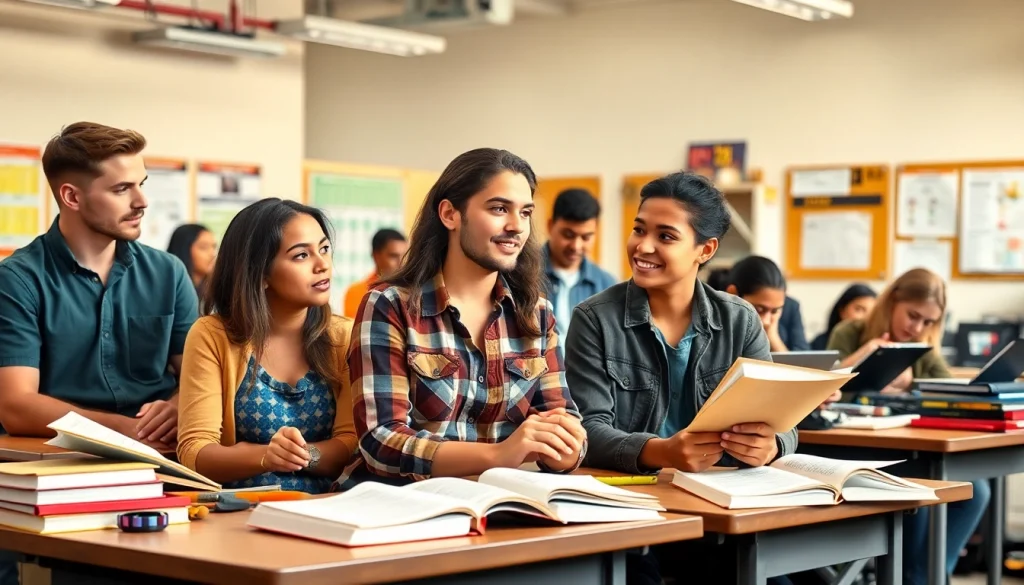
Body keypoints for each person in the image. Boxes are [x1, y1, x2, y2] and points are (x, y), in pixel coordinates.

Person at [564, 172, 797, 585]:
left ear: (705, 250)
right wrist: (662, 452)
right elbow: (587, 433)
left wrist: (771, 445)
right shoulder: (595, 319)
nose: (643, 246)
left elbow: (784, 424)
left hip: (721, 506)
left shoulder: (740, 320)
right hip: (632, 509)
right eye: (639, 229)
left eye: (665, 236)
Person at [0, 122, 198, 585]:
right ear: (71, 196)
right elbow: (16, 405)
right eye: (122, 189)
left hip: (161, 467)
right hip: (58, 474)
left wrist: (176, 406)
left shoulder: (168, 273)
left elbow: (199, 377)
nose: (142, 201)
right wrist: (128, 431)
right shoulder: (18, 279)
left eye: (141, 184)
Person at [343, 148, 586, 487]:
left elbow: (565, 423)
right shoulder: (390, 305)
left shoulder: (537, 313)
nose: (516, 226)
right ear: (450, 214)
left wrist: (565, 448)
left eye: (525, 212)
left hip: (500, 500)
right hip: (404, 502)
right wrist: (499, 455)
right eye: (499, 208)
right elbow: (381, 441)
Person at [176, 199, 357, 493]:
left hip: (328, 506)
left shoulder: (345, 335)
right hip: (241, 509)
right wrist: (266, 456)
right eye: (301, 255)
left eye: (324, 249)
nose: (322, 264)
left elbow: (353, 443)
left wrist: (303, 455)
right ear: (260, 274)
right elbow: (195, 450)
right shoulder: (212, 335)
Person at [826, 268, 990, 585]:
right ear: (892, 302)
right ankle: (918, 577)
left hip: (913, 448)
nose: (917, 327)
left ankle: (926, 577)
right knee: (919, 493)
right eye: (913, 315)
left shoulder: (920, 347)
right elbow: (824, 387)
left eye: (928, 322)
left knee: (977, 490)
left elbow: (950, 390)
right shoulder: (850, 332)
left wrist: (910, 384)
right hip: (859, 450)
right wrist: (865, 357)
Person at [541, 188, 616, 343]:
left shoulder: (606, 285)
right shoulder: (521, 274)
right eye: (568, 235)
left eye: (586, 237)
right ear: (550, 226)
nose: (576, 246)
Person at [725, 255, 807, 352]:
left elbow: (802, 358)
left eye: (774, 311)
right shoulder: (714, 314)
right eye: (759, 310)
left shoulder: (791, 307)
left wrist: (772, 336)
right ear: (733, 293)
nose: (766, 321)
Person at [342, 228, 408, 318]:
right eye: (393, 256)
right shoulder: (356, 293)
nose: (402, 263)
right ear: (376, 256)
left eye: (405, 256)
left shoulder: (412, 292)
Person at [809, 283, 877, 350]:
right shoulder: (819, 345)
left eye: (872, 312)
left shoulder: (876, 344)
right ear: (842, 311)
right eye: (859, 309)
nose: (866, 317)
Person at [166, 223, 217, 302]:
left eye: (214, 247)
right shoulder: (168, 290)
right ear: (184, 250)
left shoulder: (215, 291)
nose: (212, 254)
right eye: (204, 247)